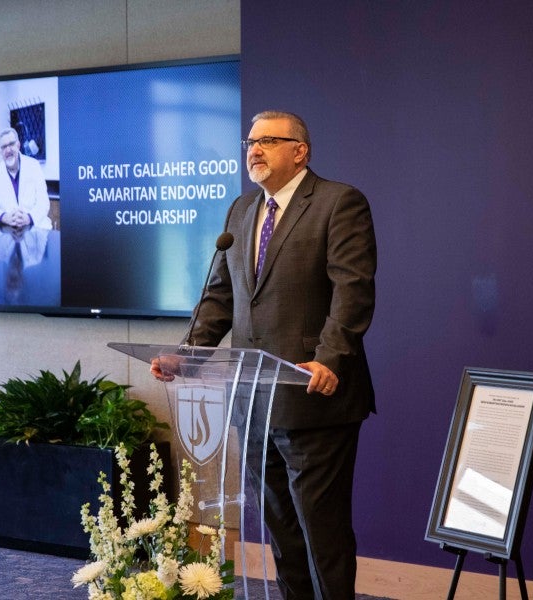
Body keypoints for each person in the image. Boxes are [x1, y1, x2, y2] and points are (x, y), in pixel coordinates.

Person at [152, 110, 377, 599]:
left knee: (323, 533)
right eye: (249, 142)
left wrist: (329, 358)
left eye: (267, 141)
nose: (253, 150)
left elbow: (352, 292)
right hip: (252, 400)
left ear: (300, 150)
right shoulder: (241, 211)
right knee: (283, 533)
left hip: (312, 395)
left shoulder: (339, 203)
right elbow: (219, 298)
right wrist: (185, 356)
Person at [0, 127, 52, 230]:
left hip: (35, 228)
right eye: (4, 147)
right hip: (8, 232)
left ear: (18, 145)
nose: (8, 150)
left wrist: (29, 218)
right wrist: (4, 217)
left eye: (11, 144)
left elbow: (43, 202)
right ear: (1, 151)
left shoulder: (34, 166)